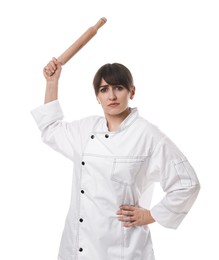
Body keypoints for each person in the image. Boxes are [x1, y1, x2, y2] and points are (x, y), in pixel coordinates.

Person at [31, 58, 200, 260]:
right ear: (97, 97)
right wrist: (52, 83)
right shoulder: (85, 130)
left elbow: (187, 183)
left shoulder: (147, 135)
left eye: (118, 88)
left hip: (123, 248)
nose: (111, 96)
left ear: (132, 92)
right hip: (77, 246)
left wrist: (151, 215)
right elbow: (51, 129)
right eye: (104, 90)